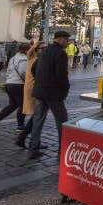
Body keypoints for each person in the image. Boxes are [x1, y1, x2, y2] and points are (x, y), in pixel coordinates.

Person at [28, 30, 71, 159]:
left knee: (38, 119)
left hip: (40, 91)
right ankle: (62, 149)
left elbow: (33, 68)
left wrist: (40, 80)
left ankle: (33, 147)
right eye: (67, 40)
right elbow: (61, 75)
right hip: (54, 93)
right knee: (62, 120)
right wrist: (65, 89)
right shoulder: (60, 54)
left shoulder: (44, 51)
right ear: (61, 39)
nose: (67, 43)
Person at [0, 43, 28, 132]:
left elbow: (8, 72)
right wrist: (27, 81)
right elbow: (23, 72)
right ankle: (20, 126)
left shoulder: (13, 58)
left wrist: (9, 80)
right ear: (25, 50)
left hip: (9, 83)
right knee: (22, 106)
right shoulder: (24, 59)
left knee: (13, 105)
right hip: (19, 84)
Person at [17, 40, 47, 149]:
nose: (45, 50)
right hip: (34, 89)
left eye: (46, 48)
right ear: (37, 50)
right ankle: (27, 140)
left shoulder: (32, 58)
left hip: (32, 88)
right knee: (37, 116)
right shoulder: (36, 59)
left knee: (36, 116)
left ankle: (28, 139)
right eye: (43, 48)